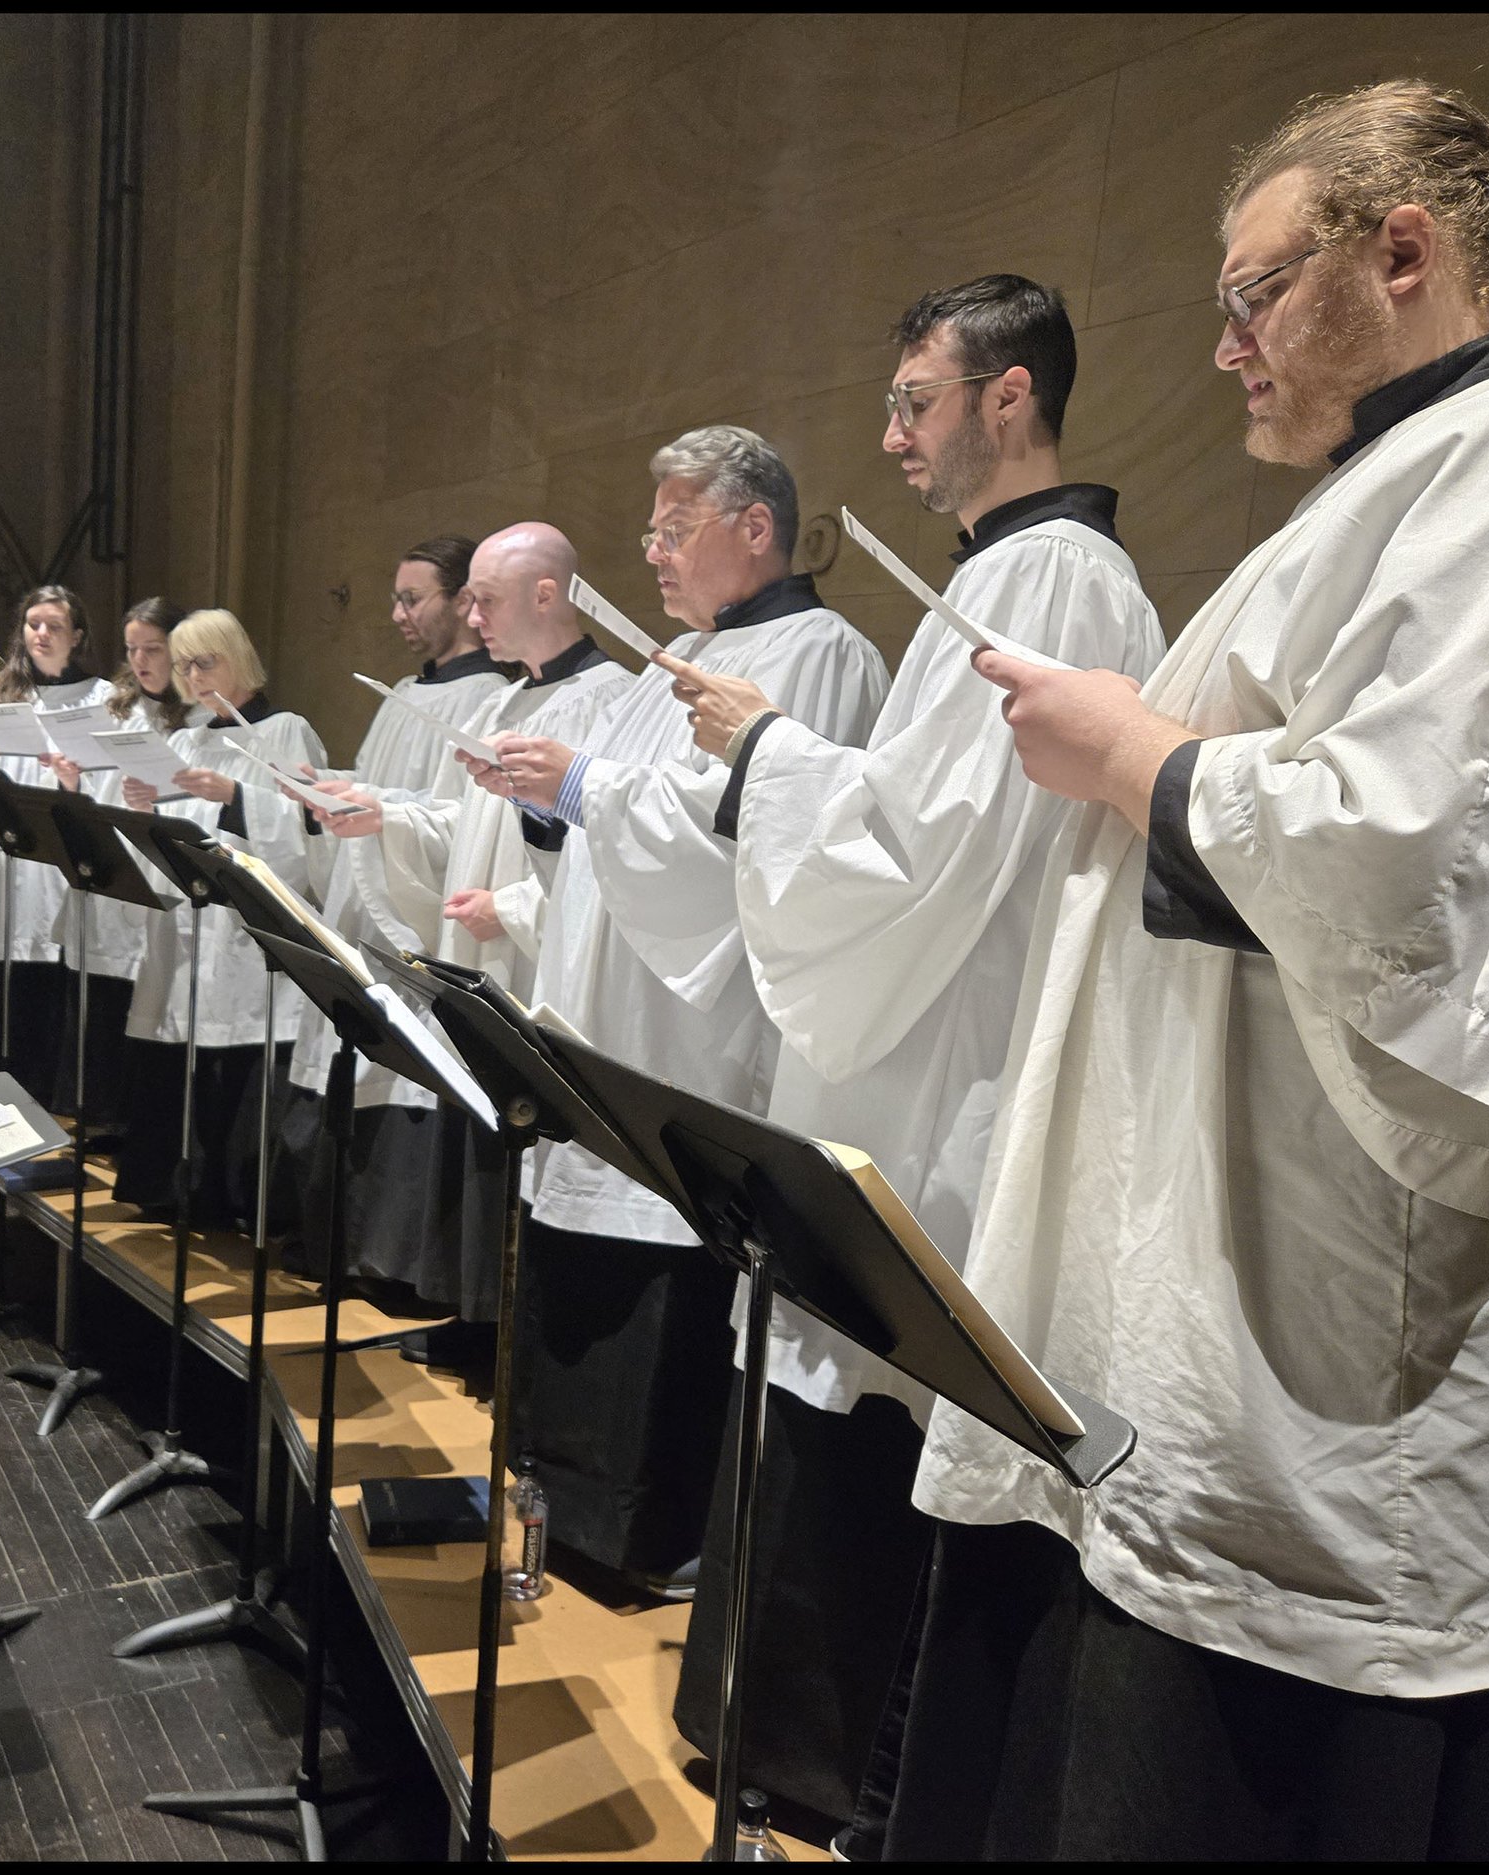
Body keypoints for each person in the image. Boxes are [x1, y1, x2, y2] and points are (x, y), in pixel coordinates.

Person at [869, 82, 1489, 1861]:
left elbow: (1434, 864)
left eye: (1253, 292)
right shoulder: (1436, 474)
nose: (1225, 348)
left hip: (1352, 1369)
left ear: (1400, 251)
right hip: (1226, 1306)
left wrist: (1133, 752)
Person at [657, 278, 1165, 1826]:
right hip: (924, 1052)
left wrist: (766, 747)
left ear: (1009, 396)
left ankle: (835, 1777)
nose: (890, 438)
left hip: (955, 1076)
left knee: (883, 1425)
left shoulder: (1052, 575)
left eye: (915, 402)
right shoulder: (1016, 571)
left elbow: (928, 844)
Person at [480, 425, 890, 1586]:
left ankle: (649, 1537)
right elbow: (601, 834)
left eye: (673, 529)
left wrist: (582, 784)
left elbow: (754, 841)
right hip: (606, 1020)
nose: (651, 552)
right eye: (650, 531)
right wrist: (547, 803)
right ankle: (562, 1516)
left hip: (692, 1037)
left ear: (753, 528)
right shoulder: (673, 661)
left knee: (659, 1291)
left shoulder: (821, 654)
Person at [309, 522, 634, 1361]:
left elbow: (614, 848)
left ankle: (513, 1340)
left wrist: (517, 905)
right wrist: (385, 818)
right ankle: (479, 1316)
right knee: (481, 1135)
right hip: (484, 953)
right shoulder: (505, 701)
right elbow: (467, 822)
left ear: (546, 594)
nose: (473, 616)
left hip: (541, 962)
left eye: (485, 600)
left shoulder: (614, 700)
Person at [275, 536, 507, 1278]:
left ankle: (389, 1262)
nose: (398, 614)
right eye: (396, 599)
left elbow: (453, 820)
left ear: (463, 601)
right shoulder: (407, 692)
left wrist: (370, 801)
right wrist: (325, 789)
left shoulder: (487, 698)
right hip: (359, 911)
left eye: (412, 598)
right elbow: (386, 788)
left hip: (414, 918)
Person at [112, 608, 329, 1225]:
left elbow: (307, 835)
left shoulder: (283, 732)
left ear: (237, 658)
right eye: (183, 665)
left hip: (247, 936)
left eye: (205, 661)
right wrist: (146, 807)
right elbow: (165, 843)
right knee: (185, 1057)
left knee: (242, 1063)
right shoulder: (186, 739)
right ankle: (186, 1192)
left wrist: (237, 798)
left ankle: (240, 1200)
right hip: (191, 931)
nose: (192, 676)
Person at [0, 584, 111, 1102]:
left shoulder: (102, 700)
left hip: (62, 873)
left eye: (54, 626)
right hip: (6, 874)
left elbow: (115, 785)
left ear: (76, 636)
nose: (41, 634)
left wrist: (75, 781)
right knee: (1, 990)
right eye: (33, 624)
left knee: (55, 988)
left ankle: (49, 1105)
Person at [43, 595, 191, 1143]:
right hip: (107, 870)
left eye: (153, 649)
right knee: (100, 999)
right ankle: (97, 1114)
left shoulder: (195, 718)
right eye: (132, 650)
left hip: (158, 878)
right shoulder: (114, 708)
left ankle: (130, 1123)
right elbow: (93, 789)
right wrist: (70, 780)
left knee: (144, 998)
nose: (141, 661)